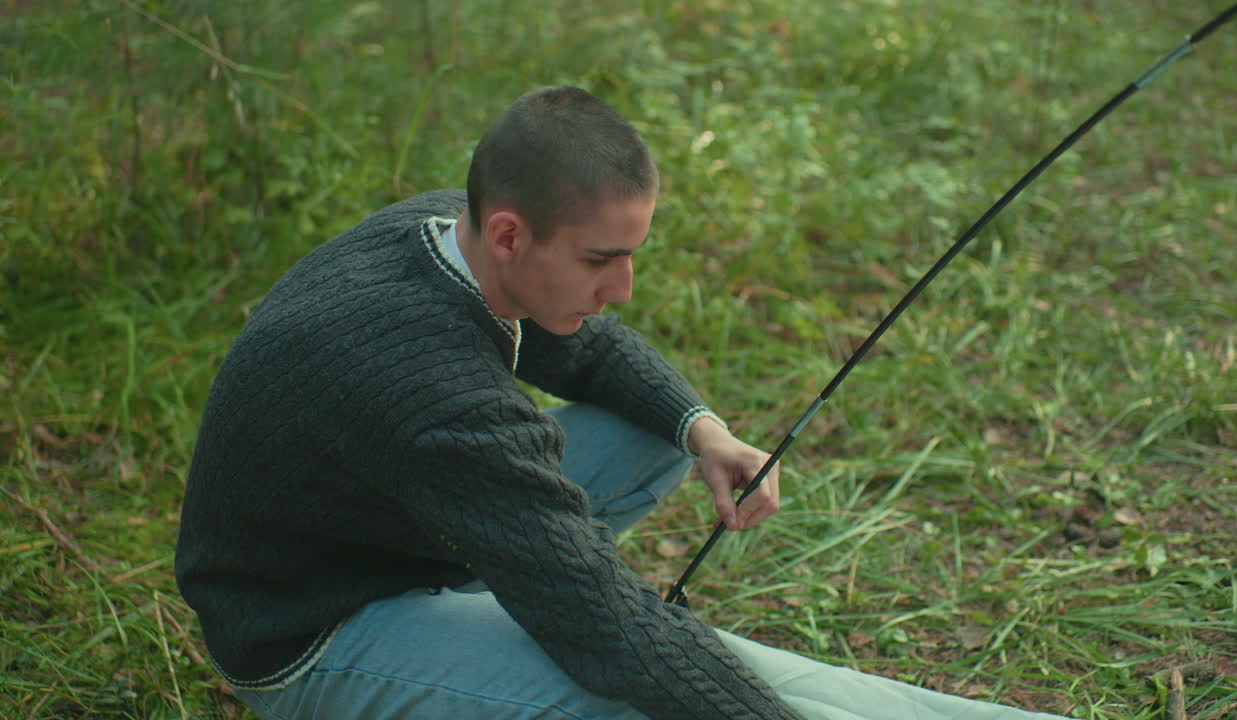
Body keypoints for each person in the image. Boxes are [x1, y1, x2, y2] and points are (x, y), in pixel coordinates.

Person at [176, 86, 1069, 719]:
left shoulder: (448, 228)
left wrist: (705, 429)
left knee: (657, 440)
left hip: (390, 534)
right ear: (510, 234)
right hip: (308, 633)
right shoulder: (445, 402)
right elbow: (609, 628)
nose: (626, 288)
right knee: (608, 691)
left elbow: (592, 350)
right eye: (603, 260)